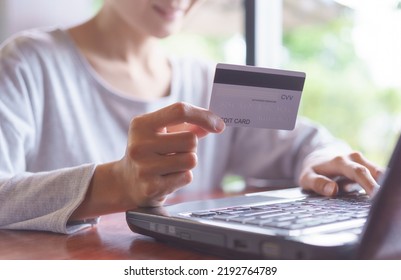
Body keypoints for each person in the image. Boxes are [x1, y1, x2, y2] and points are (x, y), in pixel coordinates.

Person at [0, 0, 382, 234]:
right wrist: (114, 183)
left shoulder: (202, 81)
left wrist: (319, 158)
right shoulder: (27, 63)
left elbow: (307, 143)